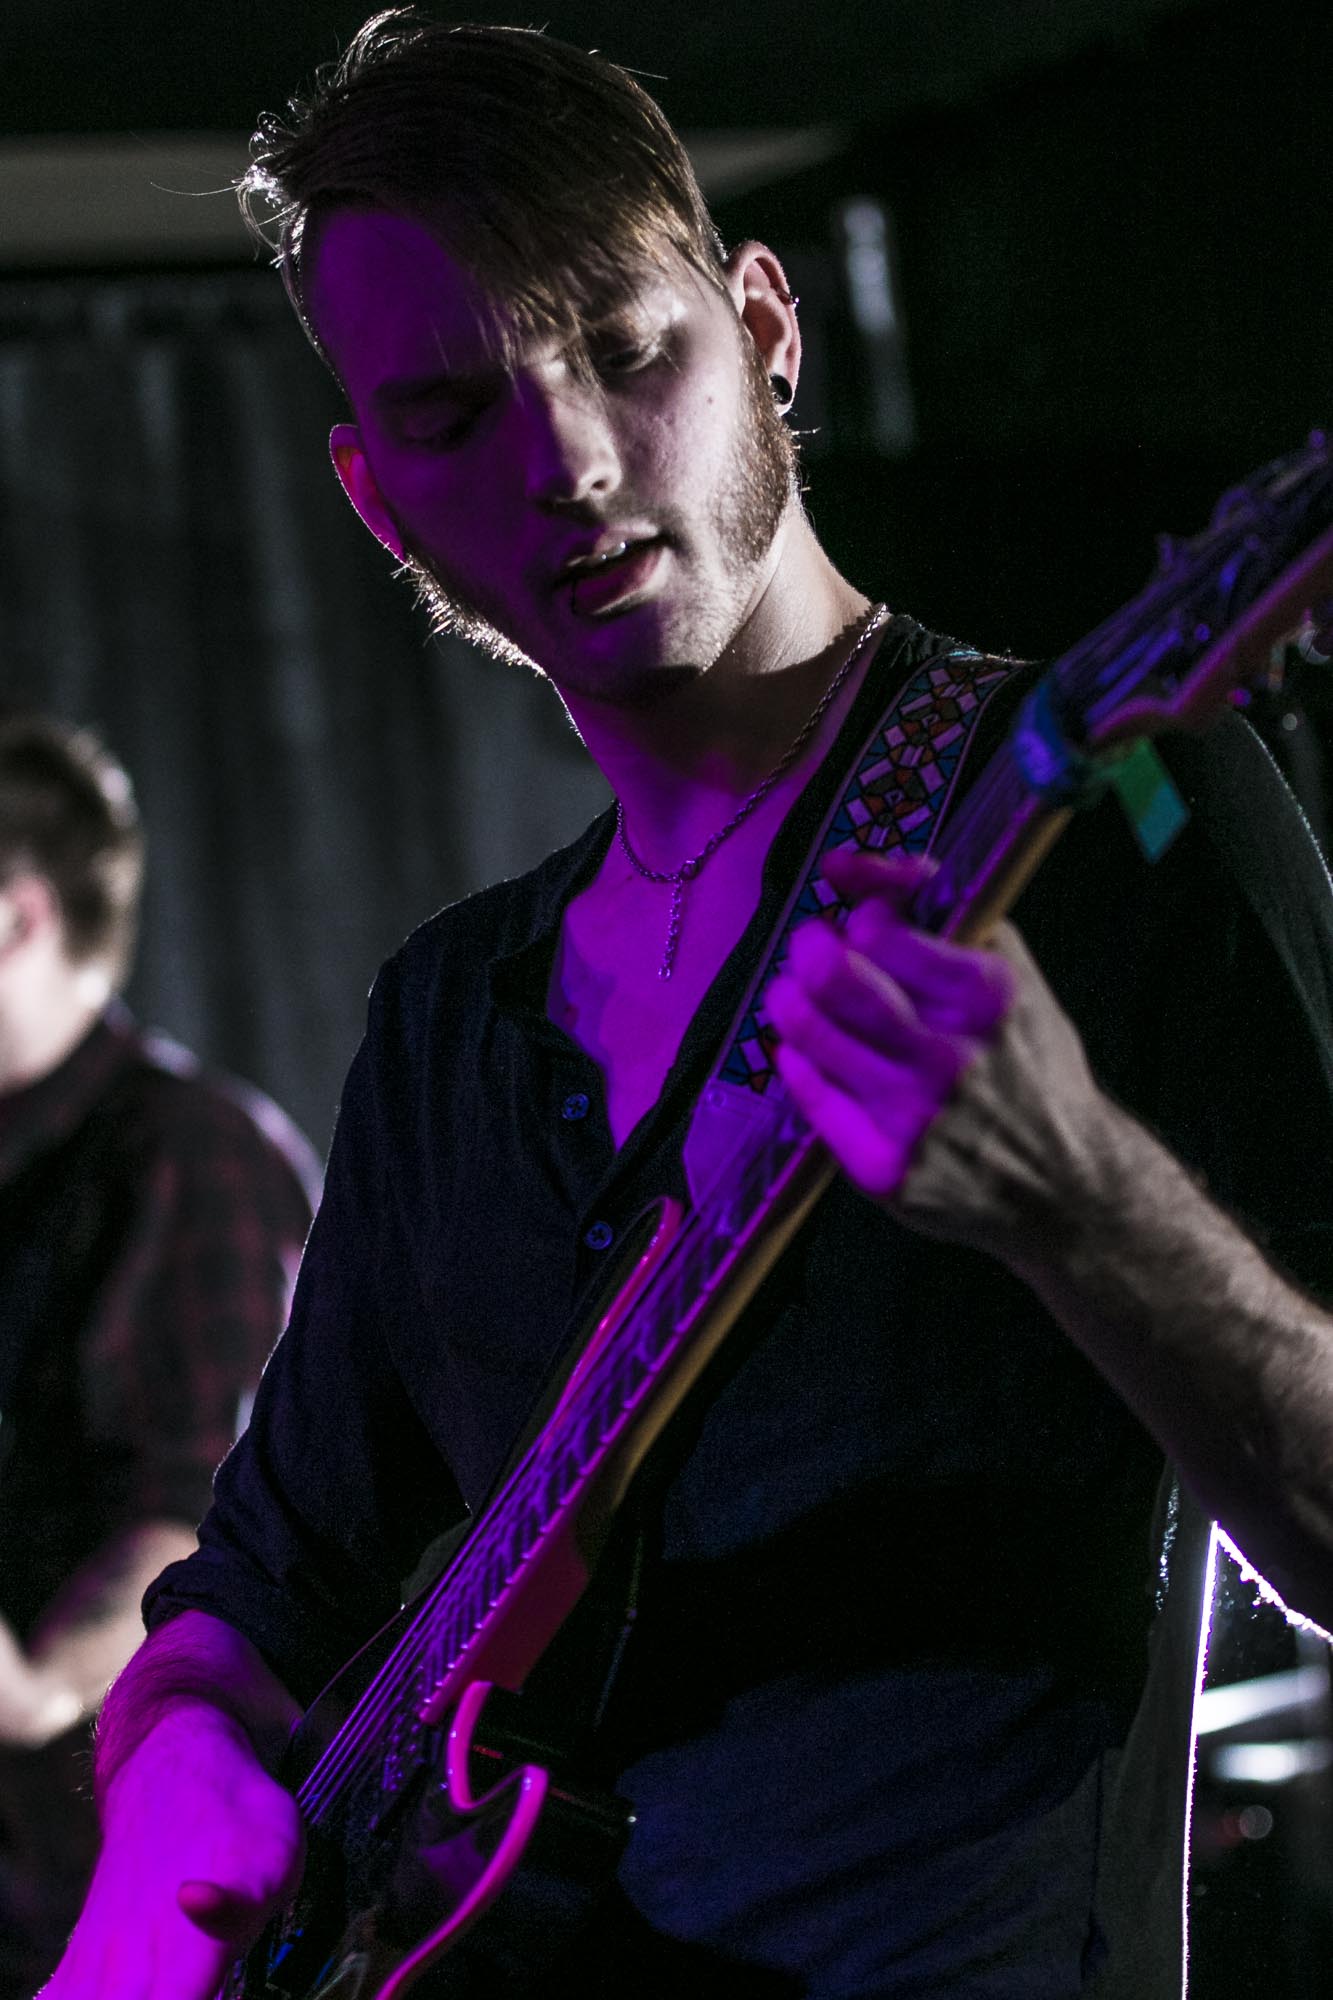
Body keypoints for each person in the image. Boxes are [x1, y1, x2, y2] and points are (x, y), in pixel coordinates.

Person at [44, 14, 1333, 1998]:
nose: (561, 458)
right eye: (456, 412)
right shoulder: (452, 1017)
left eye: (624, 351)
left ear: (765, 326)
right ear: (374, 494)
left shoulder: (1105, 827)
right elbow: (251, 1597)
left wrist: (1081, 1195)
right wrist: (173, 1776)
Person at [0, 712, 319, 1995]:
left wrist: (31, 1685)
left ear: (16, 914)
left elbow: (202, 1526)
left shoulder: (186, 1153)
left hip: (114, 1908)